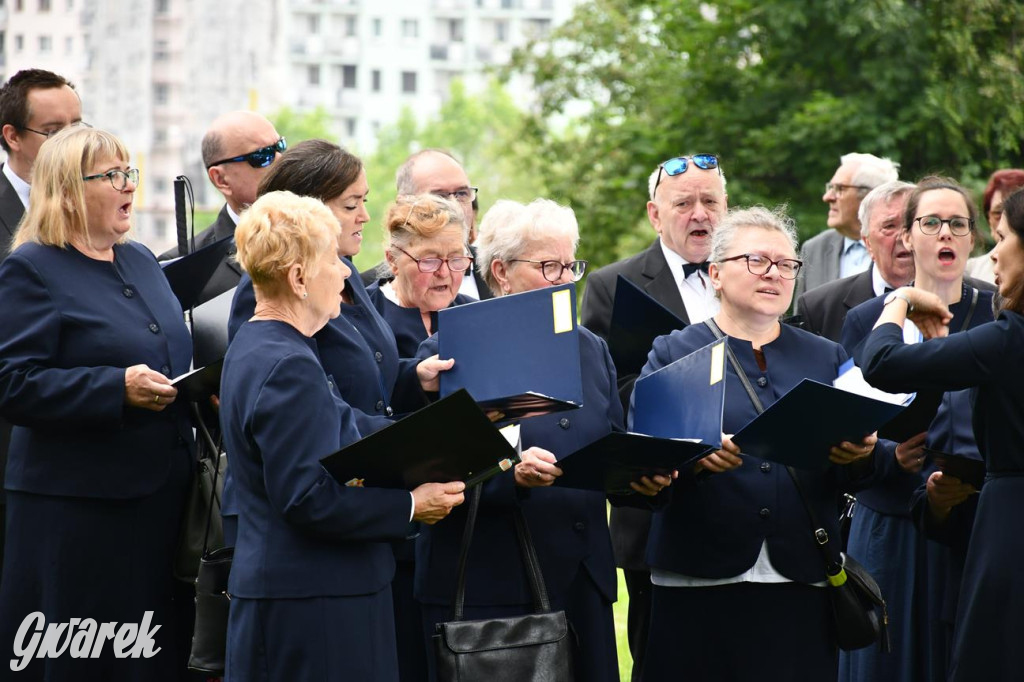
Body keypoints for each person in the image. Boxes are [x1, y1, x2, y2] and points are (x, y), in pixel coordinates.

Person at [415, 198, 671, 682]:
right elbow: (432, 469)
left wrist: (641, 477)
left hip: (584, 582)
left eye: (571, 266)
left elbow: (608, 443)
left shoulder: (590, 347)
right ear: (501, 272)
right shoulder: (450, 349)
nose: (565, 280)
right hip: (495, 587)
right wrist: (510, 474)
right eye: (549, 266)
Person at [226, 139, 448, 682]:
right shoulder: (287, 362)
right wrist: (410, 507)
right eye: (332, 263)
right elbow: (306, 497)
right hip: (313, 598)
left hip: (316, 589)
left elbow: (343, 426)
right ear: (298, 278)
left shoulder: (270, 345)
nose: (347, 275)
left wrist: (442, 434)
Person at [638, 206, 877, 682]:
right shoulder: (674, 351)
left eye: (786, 264)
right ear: (715, 275)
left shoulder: (827, 356)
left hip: (801, 578)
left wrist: (861, 453)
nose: (774, 273)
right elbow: (644, 464)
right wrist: (696, 460)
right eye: (757, 260)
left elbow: (860, 472)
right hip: (698, 578)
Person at [0, 126, 194, 680]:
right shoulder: (31, 267)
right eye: (111, 175)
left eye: (128, 171)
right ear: (67, 192)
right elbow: (13, 383)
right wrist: (114, 388)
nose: (128, 184)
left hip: (162, 501)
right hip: (80, 512)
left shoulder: (141, 260)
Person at [859, 187, 1024, 682]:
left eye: (1002, 238)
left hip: (1009, 523)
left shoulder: (1008, 339)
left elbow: (881, 362)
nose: (994, 254)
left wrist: (899, 299)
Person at [581, 153, 727, 680]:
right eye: (683, 203)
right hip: (656, 509)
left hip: (745, 505)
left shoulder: (753, 274)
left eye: (710, 201)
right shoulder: (612, 284)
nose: (700, 214)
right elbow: (603, 391)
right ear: (654, 214)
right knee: (662, 661)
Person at [0, 68, 83, 573]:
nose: (71, 141)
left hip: (83, 450)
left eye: (78, 125)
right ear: (12, 136)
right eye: (54, 131)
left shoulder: (92, 210)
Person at [159, 110, 284, 306]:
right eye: (262, 155)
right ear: (221, 179)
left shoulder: (317, 234)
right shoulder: (185, 266)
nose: (280, 159)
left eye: (280, 146)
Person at [363, 149, 491, 300]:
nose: (454, 205)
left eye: (462, 193)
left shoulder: (500, 266)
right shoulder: (362, 292)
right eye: (439, 197)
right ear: (403, 203)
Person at [797, 181, 916, 341]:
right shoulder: (820, 308)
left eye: (912, 224)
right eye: (889, 226)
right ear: (868, 243)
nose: (904, 237)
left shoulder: (951, 297)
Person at [367, 194, 476, 357]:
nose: (444, 273)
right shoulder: (365, 317)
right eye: (429, 261)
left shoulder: (473, 313)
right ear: (393, 260)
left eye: (455, 259)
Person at [795, 153, 900, 305]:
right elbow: (801, 315)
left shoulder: (905, 246)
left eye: (840, 189)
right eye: (830, 187)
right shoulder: (814, 249)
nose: (827, 197)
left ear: (870, 196)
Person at [964, 169, 1024, 284]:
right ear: (988, 218)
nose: (1004, 221)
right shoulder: (970, 271)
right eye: (998, 213)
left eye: (1016, 213)